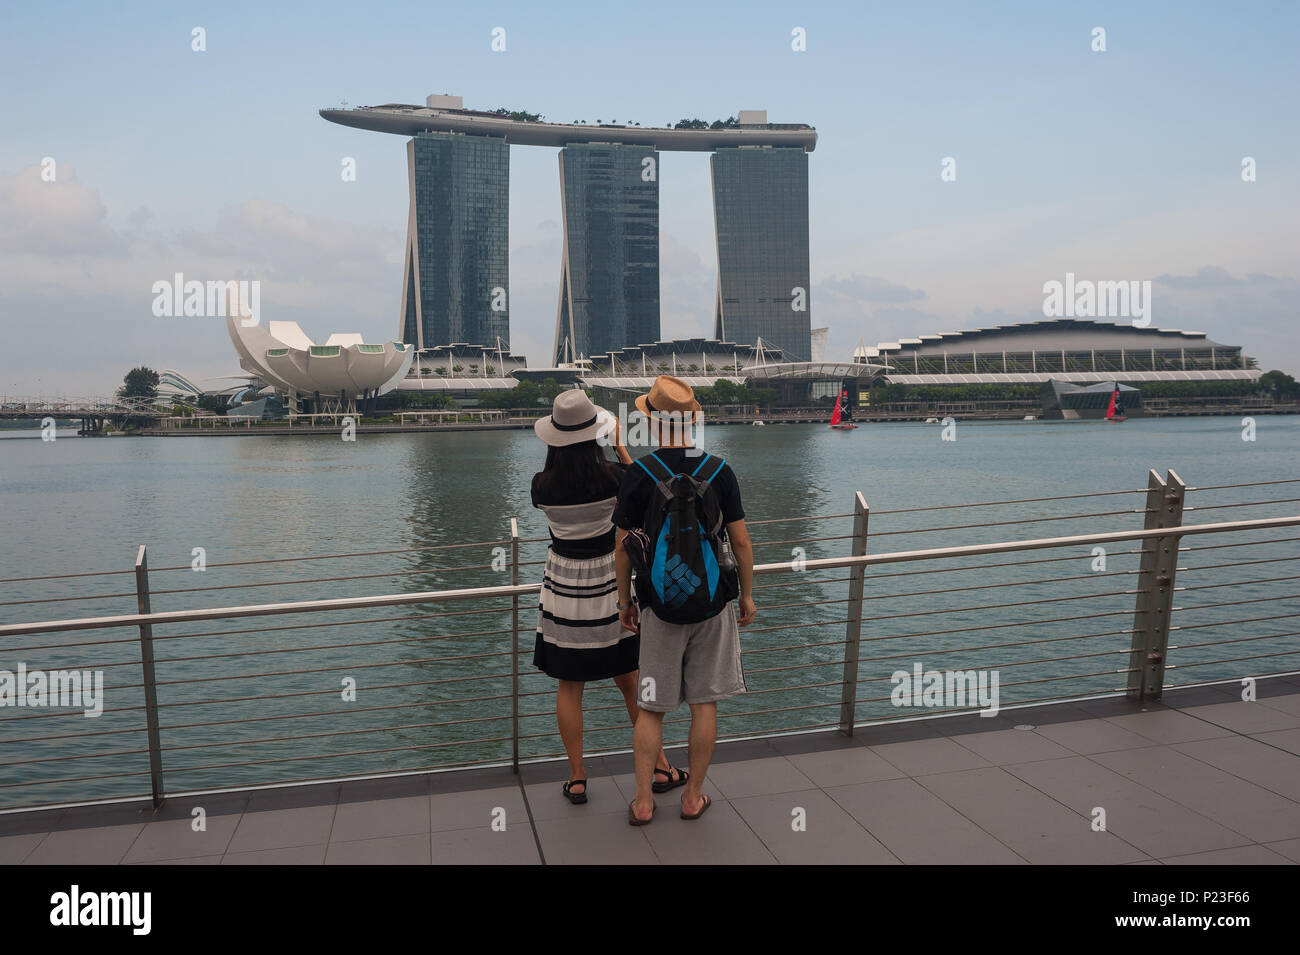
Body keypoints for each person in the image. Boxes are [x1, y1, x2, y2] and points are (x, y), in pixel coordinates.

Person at [612, 376, 756, 824]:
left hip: (658, 604)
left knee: (651, 707)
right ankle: (693, 797)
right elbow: (742, 542)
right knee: (704, 703)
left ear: (652, 420)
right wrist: (748, 595)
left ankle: (642, 801)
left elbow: (622, 546)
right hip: (712, 603)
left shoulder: (641, 473)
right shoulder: (719, 470)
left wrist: (624, 602)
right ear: (691, 420)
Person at [531, 389, 685, 804]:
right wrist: (619, 446)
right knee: (630, 679)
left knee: (569, 684)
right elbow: (651, 491)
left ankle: (578, 778)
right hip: (611, 587)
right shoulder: (616, 478)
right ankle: (661, 767)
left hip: (563, 589)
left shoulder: (541, 486)